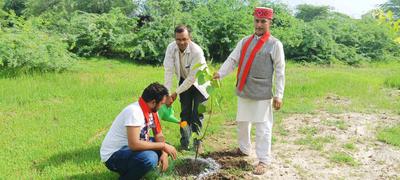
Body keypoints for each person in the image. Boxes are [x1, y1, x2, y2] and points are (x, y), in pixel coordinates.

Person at [213, 7, 285, 175]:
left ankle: (263, 160)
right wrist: (220, 73)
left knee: (262, 128)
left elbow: (280, 71)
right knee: (242, 123)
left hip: (262, 93)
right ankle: (244, 149)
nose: (259, 25)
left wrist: (278, 95)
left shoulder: (275, 44)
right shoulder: (244, 41)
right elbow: (233, 59)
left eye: (263, 22)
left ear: (269, 23)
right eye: (257, 21)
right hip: (244, 89)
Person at [100, 82, 177, 180]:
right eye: (161, 103)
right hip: (114, 155)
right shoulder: (134, 112)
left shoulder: (151, 111)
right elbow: (134, 144)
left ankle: (137, 172)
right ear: (153, 102)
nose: (162, 107)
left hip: (128, 149)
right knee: (150, 158)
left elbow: (159, 135)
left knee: (166, 146)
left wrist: (164, 153)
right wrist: (163, 146)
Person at [163, 25, 209, 151]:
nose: (181, 42)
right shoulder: (171, 48)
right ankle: (184, 143)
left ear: (190, 38)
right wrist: (167, 94)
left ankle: (197, 142)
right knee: (185, 113)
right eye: (178, 39)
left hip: (200, 82)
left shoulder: (197, 51)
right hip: (184, 80)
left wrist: (175, 93)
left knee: (197, 114)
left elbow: (192, 78)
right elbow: (168, 71)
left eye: (184, 39)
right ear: (175, 39)